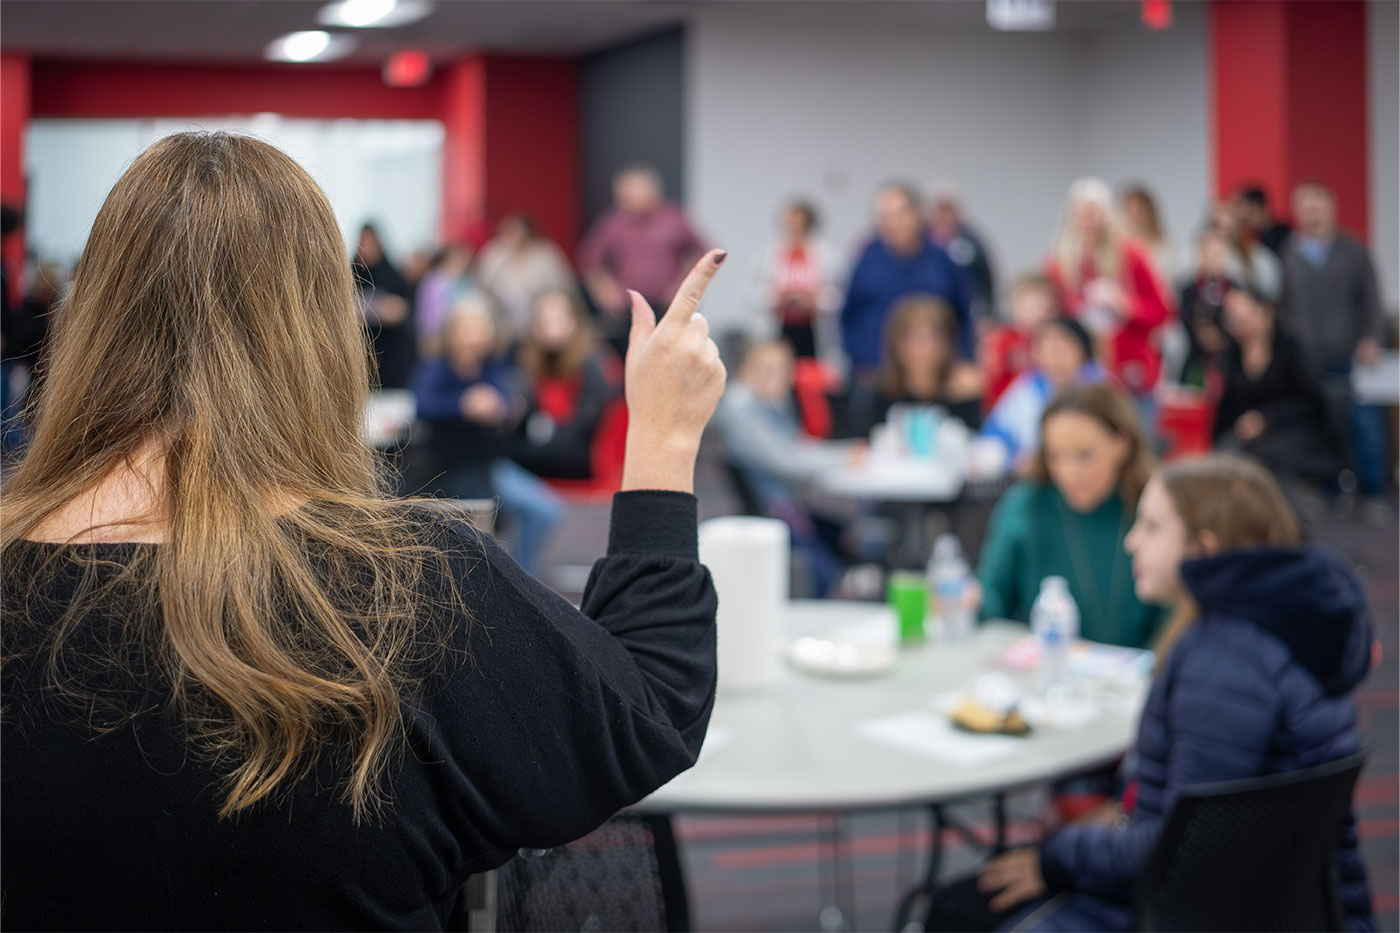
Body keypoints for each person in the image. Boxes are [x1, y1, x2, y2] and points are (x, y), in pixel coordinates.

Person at [0, 131, 730, 930]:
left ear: (93, 318)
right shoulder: (411, 585)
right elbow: (646, 711)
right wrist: (660, 435)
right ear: (318, 327)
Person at [971, 455, 1374, 933]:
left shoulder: (1224, 665)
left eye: (1152, 527)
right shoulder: (1289, 630)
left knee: (965, 908)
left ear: (1204, 549)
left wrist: (1055, 856)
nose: (1131, 540)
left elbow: (1182, 851)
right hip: (1276, 907)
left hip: (1190, 912)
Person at [976, 383, 1165, 648]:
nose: (1068, 472)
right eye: (1055, 456)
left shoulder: (1154, 511)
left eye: (1084, 455)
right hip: (1044, 672)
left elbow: (1171, 619)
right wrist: (970, 599)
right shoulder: (1025, 505)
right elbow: (993, 593)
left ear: (1122, 444)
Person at [412, 296, 564, 577]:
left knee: (547, 510)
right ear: (451, 332)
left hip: (490, 466)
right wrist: (463, 405)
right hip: (449, 468)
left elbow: (509, 405)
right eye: (464, 328)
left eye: (477, 328)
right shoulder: (436, 368)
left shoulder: (493, 367)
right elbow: (422, 406)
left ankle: (520, 576)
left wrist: (506, 409)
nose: (470, 338)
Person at [1280, 181, 1389, 522]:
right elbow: (1282, 306)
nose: (1313, 213)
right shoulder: (1288, 254)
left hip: (1348, 355)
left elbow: (1373, 301)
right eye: (1306, 206)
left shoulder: (1354, 250)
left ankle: (1373, 494)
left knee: (1364, 425)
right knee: (1318, 424)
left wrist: (1372, 338)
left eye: (1318, 205)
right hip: (1305, 357)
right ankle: (1327, 488)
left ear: (1332, 208)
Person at [716, 339, 849, 596]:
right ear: (745, 371)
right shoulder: (744, 411)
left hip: (785, 504)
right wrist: (842, 457)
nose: (777, 379)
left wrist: (842, 453)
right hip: (776, 511)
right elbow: (787, 462)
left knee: (842, 535)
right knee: (828, 569)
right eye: (766, 369)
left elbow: (795, 448)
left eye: (782, 370)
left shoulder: (767, 405)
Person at [1046, 179, 1171, 420]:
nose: (1089, 219)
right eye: (1082, 212)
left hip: (1133, 374)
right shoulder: (1058, 265)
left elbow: (1162, 313)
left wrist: (1125, 305)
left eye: (1095, 210)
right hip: (1081, 376)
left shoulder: (1133, 256)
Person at [1214, 286, 1342, 489]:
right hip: (1249, 439)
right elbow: (1227, 409)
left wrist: (1266, 419)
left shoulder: (1290, 349)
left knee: (1262, 461)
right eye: (1232, 321)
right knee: (1225, 456)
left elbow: (1311, 402)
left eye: (1243, 318)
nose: (1238, 326)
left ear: (1265, 313)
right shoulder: (1231, 356)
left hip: (1295, 432)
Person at [841, 182, 971, 375]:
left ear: (918, 215)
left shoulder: (941, 262)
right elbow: (848, 318)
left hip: (934, 377)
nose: (893, 223)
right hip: (876, 376)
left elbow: (963, 318)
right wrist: (860, 361)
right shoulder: (866, 262)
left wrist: (964, 364)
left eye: (900, 214)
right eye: (885, 217)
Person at [578, 164, 708, 357]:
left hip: (668, 306)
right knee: (633, 359)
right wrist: (605, 291)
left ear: (652, 193)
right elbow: (589, 261)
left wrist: (682, 285)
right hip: (629, 309)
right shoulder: (613, 224)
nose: (626, 200)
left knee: (669, 358)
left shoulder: (673, 219)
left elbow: (701, 253)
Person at [511, 288, 621, 480]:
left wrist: (550, 433)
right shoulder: (529, 360)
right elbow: (526, 406)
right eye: (545, 322)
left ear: (573, 322)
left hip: (578, 448)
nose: (551, 328)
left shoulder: (591, 361)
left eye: (557, 321)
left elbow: (589, 419)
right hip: (541, 442)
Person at [980, 316, 1106, 467]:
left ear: (1083, 350)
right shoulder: (1027, 388)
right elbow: (995, 434)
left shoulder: (1101, 385)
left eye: (1061, 346)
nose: (1054, 356)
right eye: (1045, 348)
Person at [849, 295, 983, 436]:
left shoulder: (964, 391)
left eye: (929, 338)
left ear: (947, 343)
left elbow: (979, 443)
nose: (920, 348)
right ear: (895, 344)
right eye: (912, 338)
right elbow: (864, 444)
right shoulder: (878, 391)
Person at [758, 199, 838, 359]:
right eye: (789, 226)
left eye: (799, 226)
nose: (794, 231)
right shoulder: (771, 254)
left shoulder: (826, 255)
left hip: (813, 329)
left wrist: (816, 301)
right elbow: (756, 294)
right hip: (782, 326)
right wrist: (776, 297)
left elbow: (837, 296)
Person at [476, 214, 577, 339]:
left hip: (540, 324)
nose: (512, 237)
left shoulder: (546, 254)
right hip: (500, 324)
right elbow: (481, 287)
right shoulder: (494, 254)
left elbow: (564, 288)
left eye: (515, 231)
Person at [980, 272, 1059, 409]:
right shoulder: (1002, 341)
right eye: (1032, 308)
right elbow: (991, 382)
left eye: (1046, 310)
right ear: (1016, 308)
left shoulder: (1057, 342)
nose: (1040, 316)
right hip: (1008, 408)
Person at [353, 222, 416, 389]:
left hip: (388, 350)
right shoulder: (350, 273)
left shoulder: (392, 275)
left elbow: (401, 310)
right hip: (358, 350)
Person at [927, 185, 996, 329]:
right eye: (941, 209)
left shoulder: (970, 239)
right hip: (931, 309)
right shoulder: (922, 239)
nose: (945, 215)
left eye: (949, 209)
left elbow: (985, 278)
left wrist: (985, 313)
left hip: (966, 313)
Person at [1173, 229, 1236, 389]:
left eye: (1218, 254)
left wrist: (1221, 336)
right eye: (1209, 253)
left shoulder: (1235, 290)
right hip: (1195, 359)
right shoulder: (1188, 290)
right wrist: (1202, 334)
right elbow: (1181, 319)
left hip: (1229, 360)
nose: (1213, 259)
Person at [415, 242, 475, 357]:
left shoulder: (463, 281)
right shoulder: (435, 281)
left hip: (456, 335)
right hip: (436, 336)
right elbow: (431, 314)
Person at [1118, 184, 1175, 292]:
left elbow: (1163, 281)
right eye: (1129, 211)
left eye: (1139, 211)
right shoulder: (1119, 245)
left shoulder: (1164, 243)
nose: (1134, 217)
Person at [1234, 183, 1292, 257]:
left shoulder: (1284, 236)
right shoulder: (1252, 237)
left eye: (1240, 205)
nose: (1240, 214)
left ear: (1255, 206)